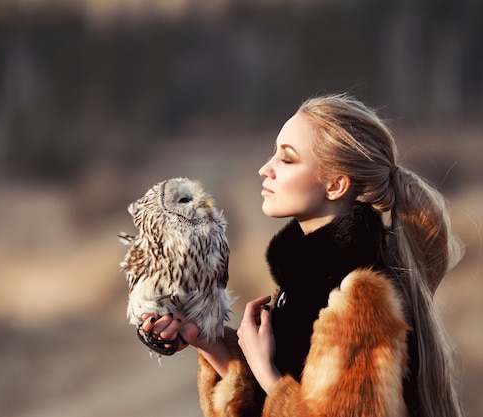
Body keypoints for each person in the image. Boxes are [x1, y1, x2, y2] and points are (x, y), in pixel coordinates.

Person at [138, 93, 465, 417]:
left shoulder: (360, 298)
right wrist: (209, 343)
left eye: (287, 158)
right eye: (274, 154)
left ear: (335, 185)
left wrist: (266, 370)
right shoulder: (306, 279)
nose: (265, 169)